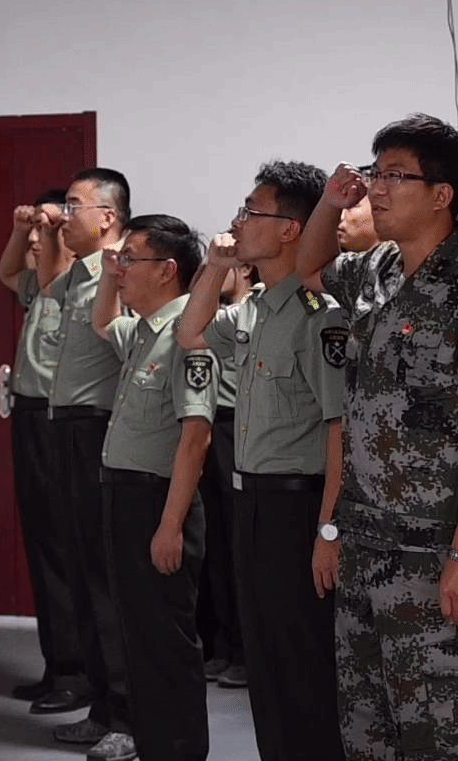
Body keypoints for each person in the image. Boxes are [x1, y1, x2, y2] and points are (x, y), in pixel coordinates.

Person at [296, 113, 458, 761]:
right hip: (364, 541)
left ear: (441, 194)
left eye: (395, 175)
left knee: (438, 730)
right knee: (366, 728)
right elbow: (308, 266)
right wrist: (329, 201)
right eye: (375, 173)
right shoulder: (375, 268)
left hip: (432, 551)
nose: (377, 188)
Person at [177, 161, 346, 761]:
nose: (238, 220)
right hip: (251, 501)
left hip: (299, 507)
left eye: (252, 211)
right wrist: (215, 266)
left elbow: (339, 428)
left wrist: (328, 530)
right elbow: (190, 332)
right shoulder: (250, 309)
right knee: (265, 659)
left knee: (303, 659)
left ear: (290, 229)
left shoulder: (319, 315)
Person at [91, 215, 217, 761]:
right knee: (136, 634)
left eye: (130, 259)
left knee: (166, 640)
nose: (120, 269)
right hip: (125, 497)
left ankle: (180, 750)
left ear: (167, 270)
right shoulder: (142, 329)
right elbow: (102, 322)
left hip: (160, 502)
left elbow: (196, 437)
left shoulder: (188, 334)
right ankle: (153, 743)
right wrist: (107, 273)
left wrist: (170, 524)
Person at [37, 168, 138, 761]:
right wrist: (49, 231)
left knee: (107, 581)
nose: (62, 213)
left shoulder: (124, 270)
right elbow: (43, 280)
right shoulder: (79, 271)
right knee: (80, 573)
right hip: (68, 429)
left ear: (107, 216)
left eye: (73, 205)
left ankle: (127, 717)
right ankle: (102, 708)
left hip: (102, 429)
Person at [0, 188, 86, 710]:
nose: (34, 239)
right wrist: (19, 229)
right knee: (41, 544)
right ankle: (57, 667)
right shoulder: (38, 285)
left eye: (44, 230)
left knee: (63, 548)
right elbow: (8, 272)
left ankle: (76, 672)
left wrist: (48, 228)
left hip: (59, 422)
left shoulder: (80, 286)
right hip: (30, 420)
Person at [195, 262, 254, 690]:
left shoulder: (255, 310)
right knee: (212, 543)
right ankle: (219, 644)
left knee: (237, 544)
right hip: (209, 424)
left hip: (239, 426)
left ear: (245, 269)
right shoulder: (215, 316)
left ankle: (243, 651)